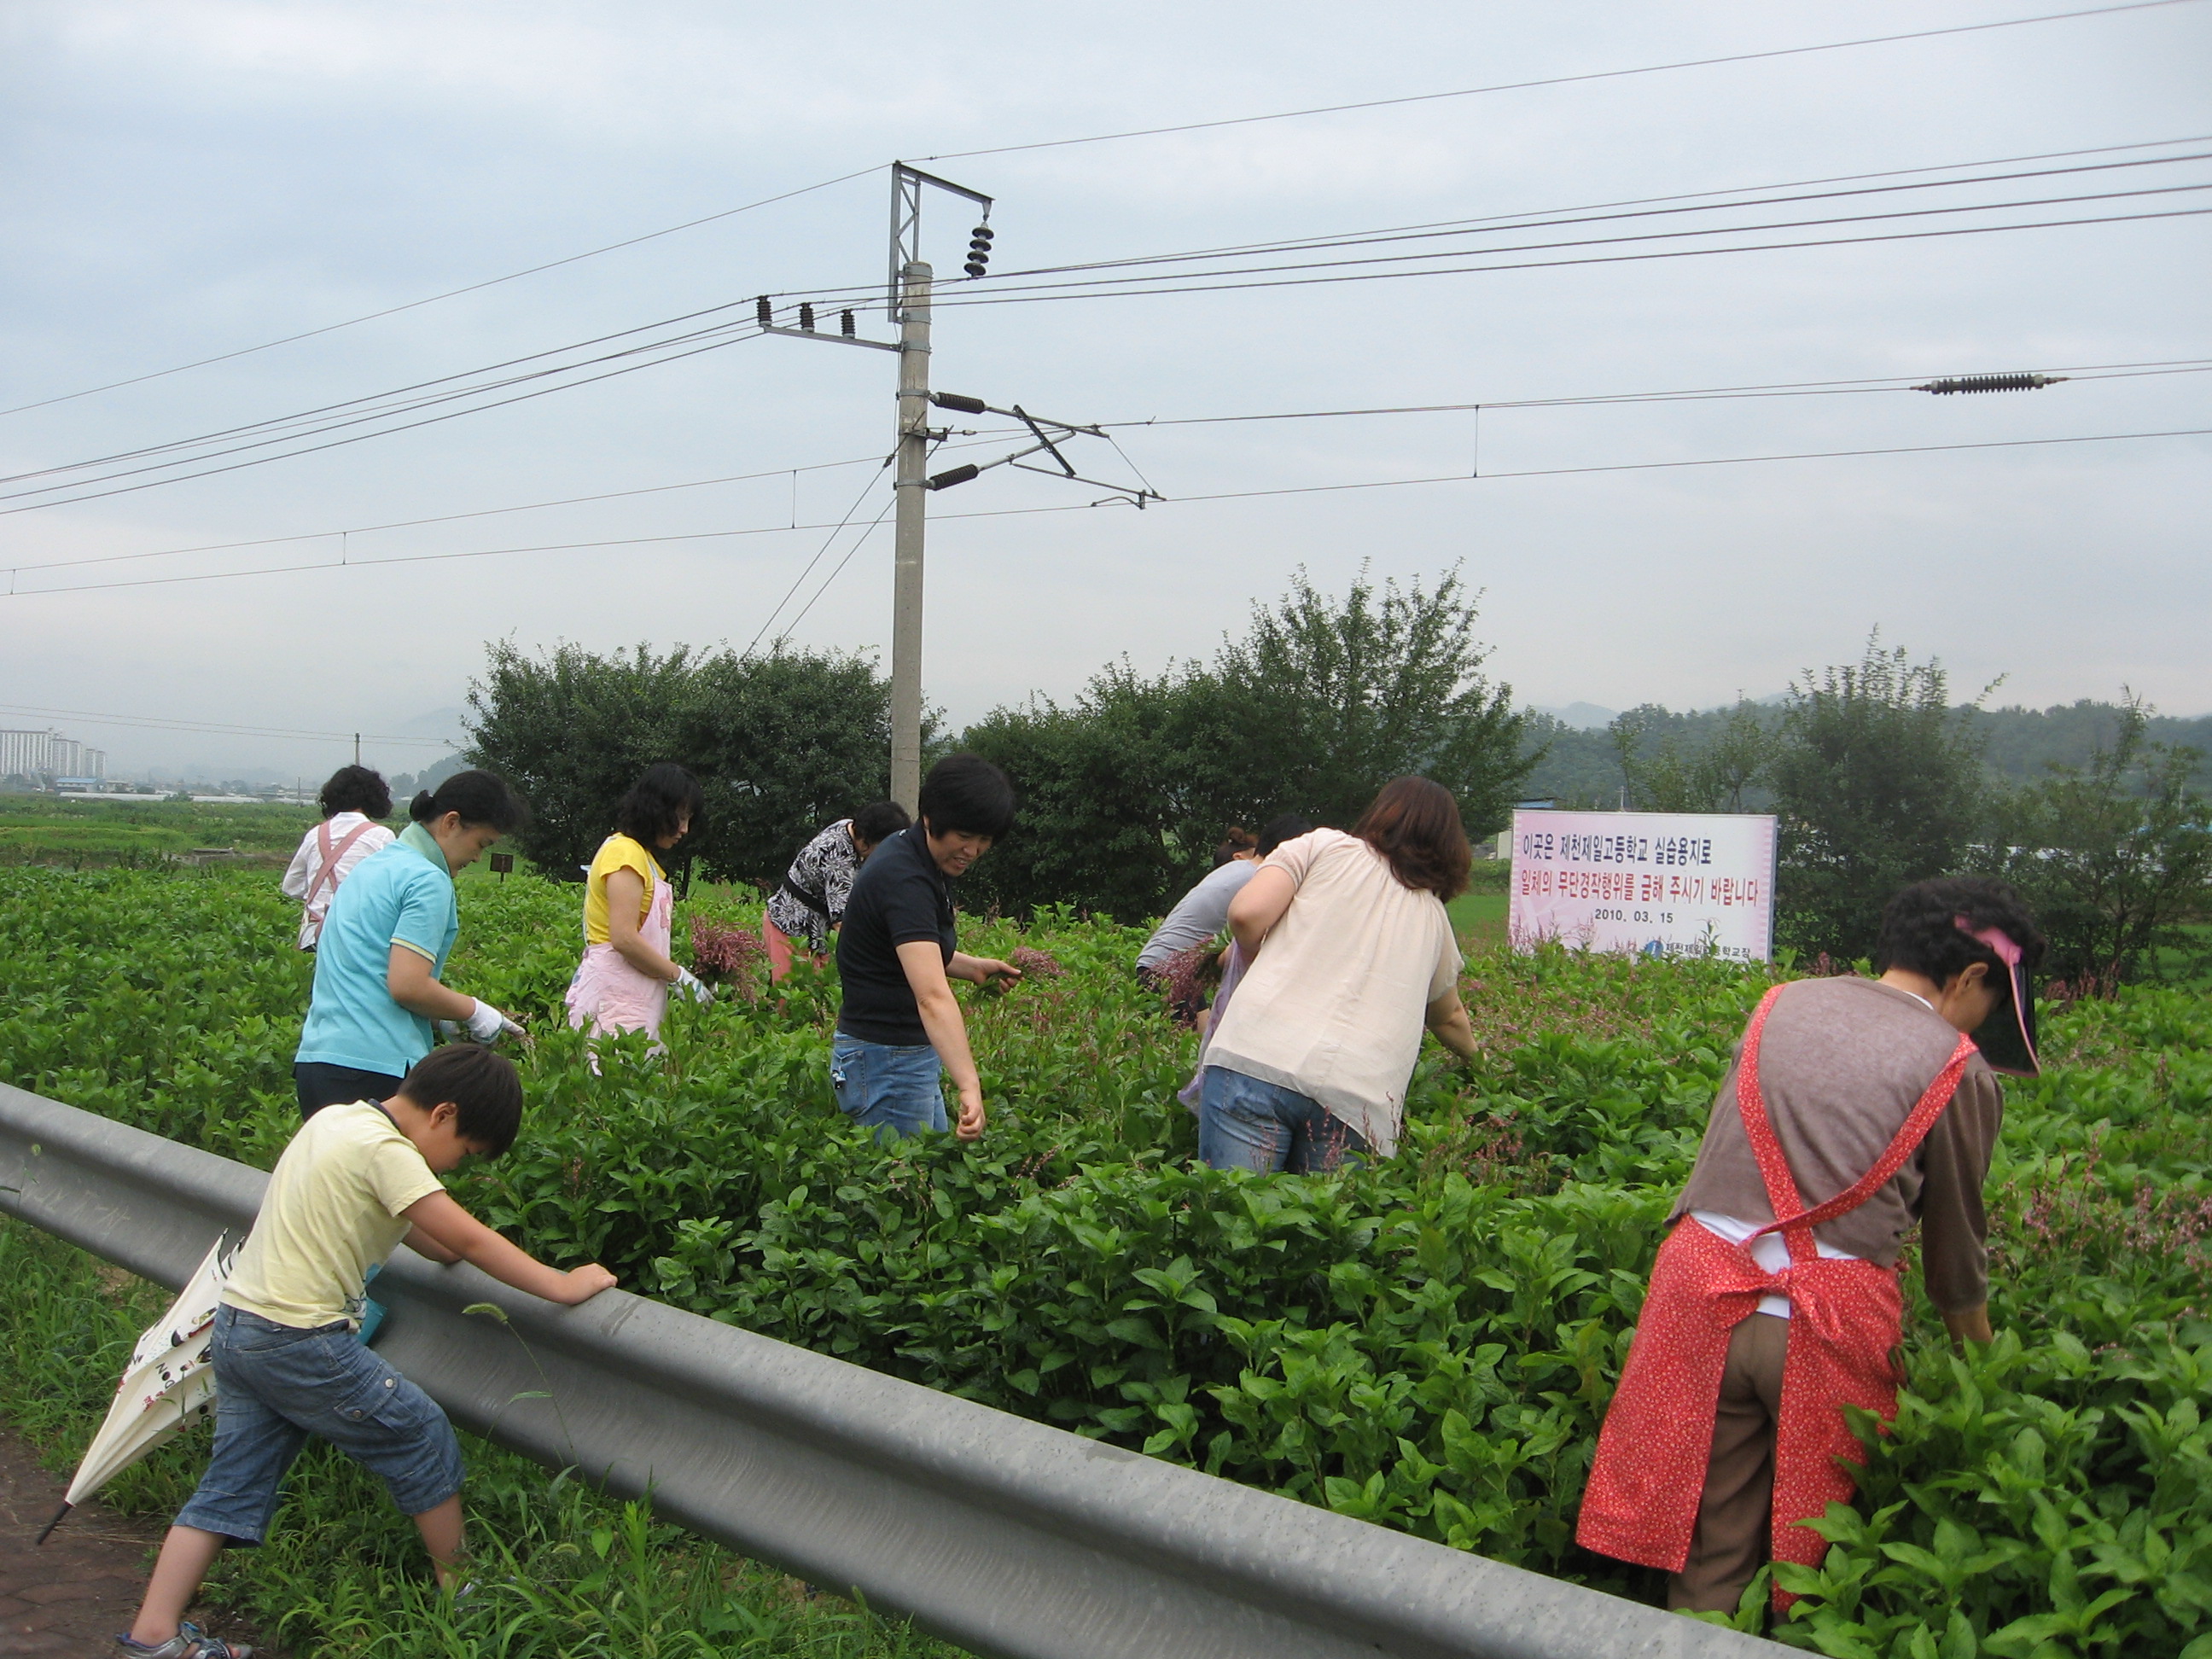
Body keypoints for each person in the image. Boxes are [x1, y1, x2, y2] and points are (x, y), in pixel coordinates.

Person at [1575, 876, 2044, 1619]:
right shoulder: (1958, 1067)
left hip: (1699, 1301)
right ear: (1973, 977)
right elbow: (1956, 1262)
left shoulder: (1778, 1004)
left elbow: (1719, 1162)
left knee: (1714, 1544)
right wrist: (1985, 1381)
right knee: (1822, 1560)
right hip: (1829, 1327)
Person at [114, 1044, 617, 1659]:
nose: (452, 1171)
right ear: (443, 1115)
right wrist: (561, 1284)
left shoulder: (335, 1121)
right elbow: (467, 1237)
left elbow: (434, 1241)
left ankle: (155, 1634)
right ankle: (465, 1598)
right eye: (464, 1154)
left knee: (232, 1485)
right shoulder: (388, 1151)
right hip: (298, 1338)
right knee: (420, 1432)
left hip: (241, 1327)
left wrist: (446, 1239)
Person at [1197, 779, 1476, 1173]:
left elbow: (1246, 915)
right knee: (1325, 1230)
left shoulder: (1322, 846)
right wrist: (1483, 1068)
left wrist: (1270, 959)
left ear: (1381, 813)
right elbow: (1448, 1017)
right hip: (1356, 1096)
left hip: (1256, 1056)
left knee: (1235, 1221)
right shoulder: (1435, 921)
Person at [292, 771, 529, 1119]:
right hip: (375, 1069)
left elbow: (367, 972)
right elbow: (408, 985)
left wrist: (440, 1018)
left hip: (319, 1062)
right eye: (482, 844)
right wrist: (475, 1012)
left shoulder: (374, 867)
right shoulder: (427, 880)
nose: (478, 858)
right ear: (451, 823)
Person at [831, 756, 1022, 1140]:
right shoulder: (905, 879)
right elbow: (932, 996)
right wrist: (969, 1084)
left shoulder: (918, 856)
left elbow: (901, 949)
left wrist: (971, 967)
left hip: (898, 1056)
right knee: (902, 1189)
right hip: (887, 1059)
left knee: (924, 1178)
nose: (972, 850)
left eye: (984, 840)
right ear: (932, 819)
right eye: (965, 836)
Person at [565, 763, 712, 1040]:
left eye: (689, 818)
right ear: (655, 810)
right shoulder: (624, 854)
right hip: (614, 994)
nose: (684, 829)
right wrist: (678, 975)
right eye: (679, 818)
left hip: (634, 993)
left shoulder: (642, 858)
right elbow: (623, 939)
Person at [1144, 813, 1313, 1029]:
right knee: (1185, 1052)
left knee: (1201, 1046)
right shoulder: (1261, 880)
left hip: (1166, 964)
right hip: (1169, 971)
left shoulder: (1237, 868)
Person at [761, 800, 914, 981]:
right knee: (794, 999)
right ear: (865, 841)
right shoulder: (838, 861)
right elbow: (843, 924)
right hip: (790, 928)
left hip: (816, 932)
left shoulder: (848, 826)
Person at [280, 765, 394, 950]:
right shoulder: (382, 836)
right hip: (359, 940)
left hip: (314, 937)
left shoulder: (315, 834)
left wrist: (322, 895)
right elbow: (390, 892)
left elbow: (290, 886)